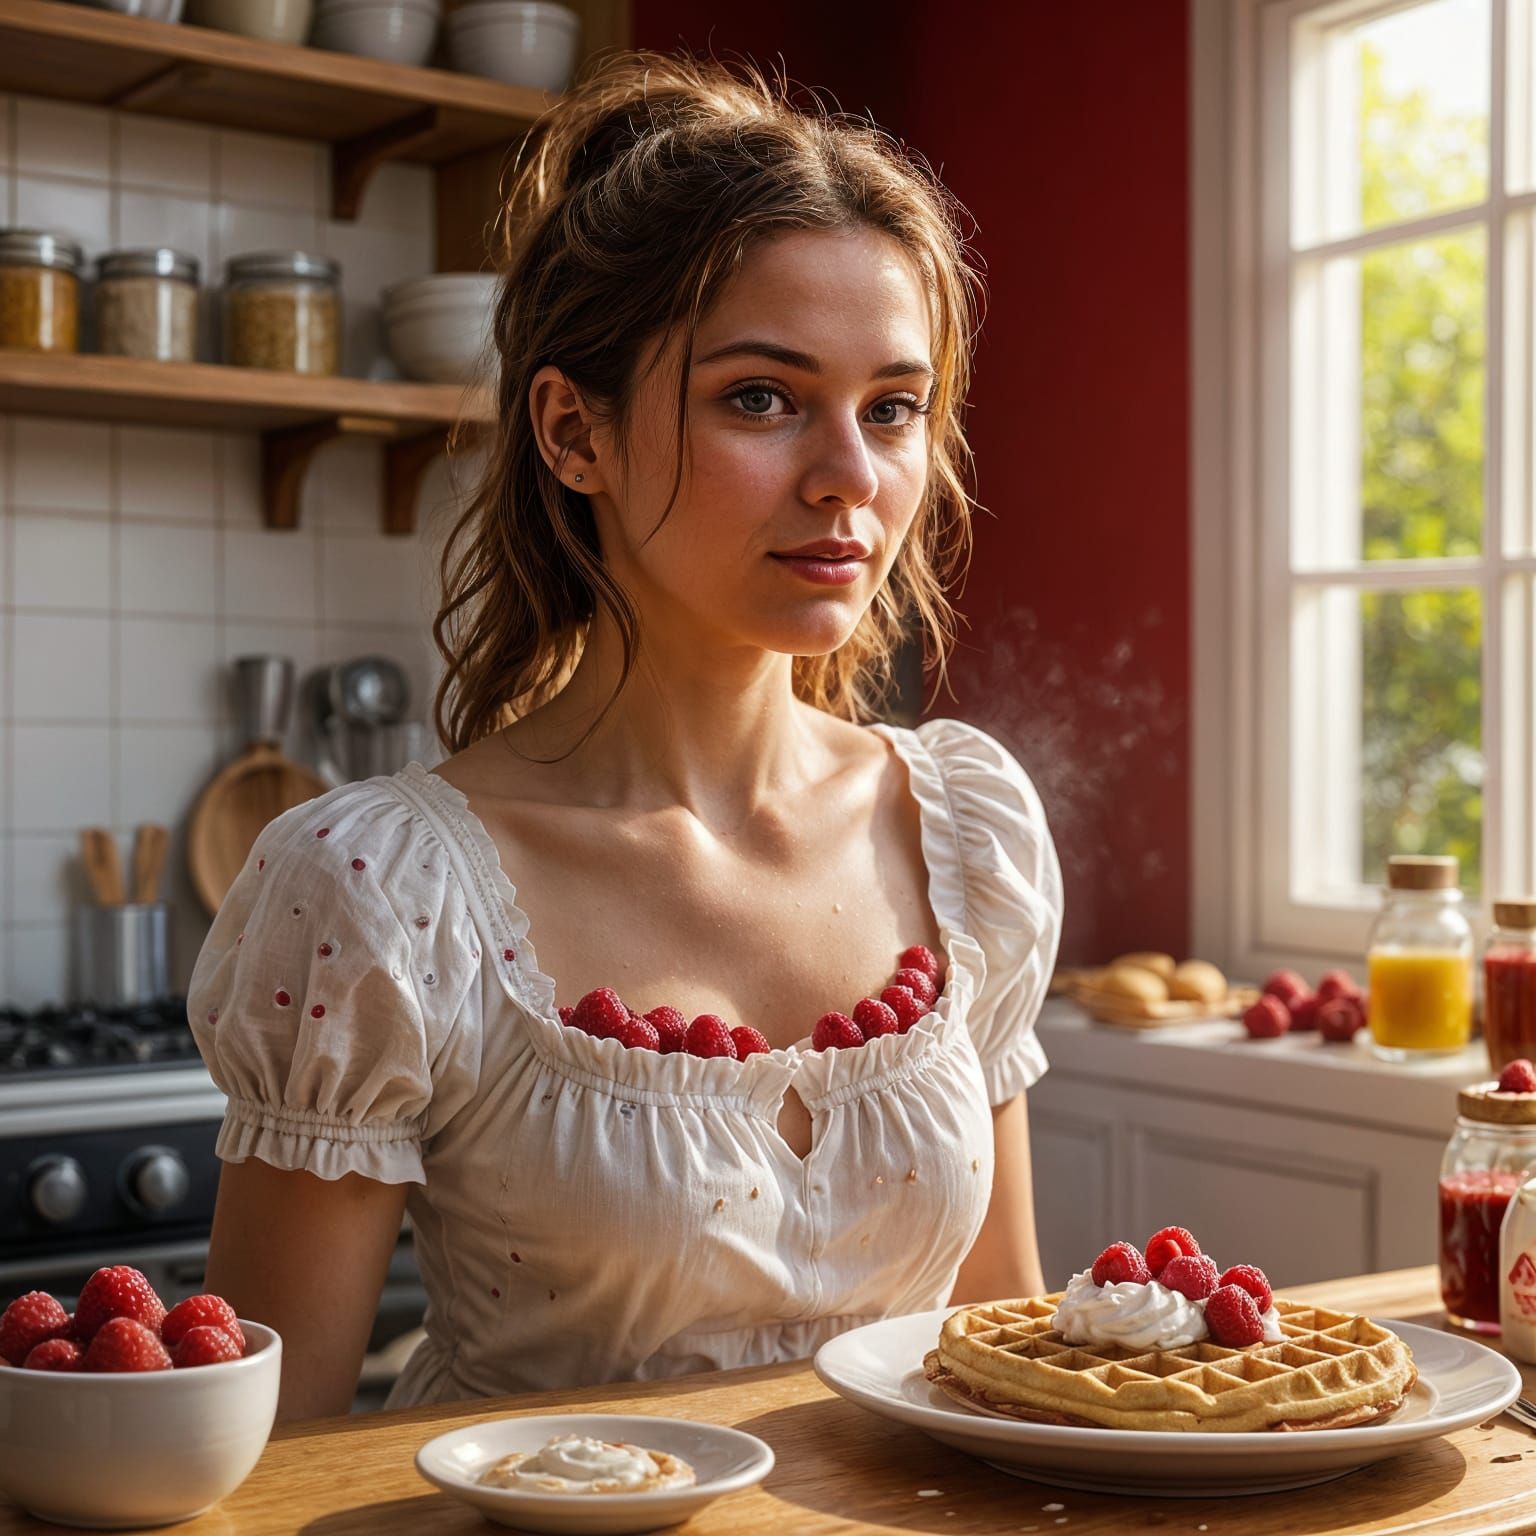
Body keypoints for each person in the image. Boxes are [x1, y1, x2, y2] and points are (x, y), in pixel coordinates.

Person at [188, 48, 1064, 1424]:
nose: (851, 478)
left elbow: (1002, 1351)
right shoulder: (379, 890)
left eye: (893, 408)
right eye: (761, 397)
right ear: (571, 432)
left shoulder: (966, 829)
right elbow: (269, 1458)